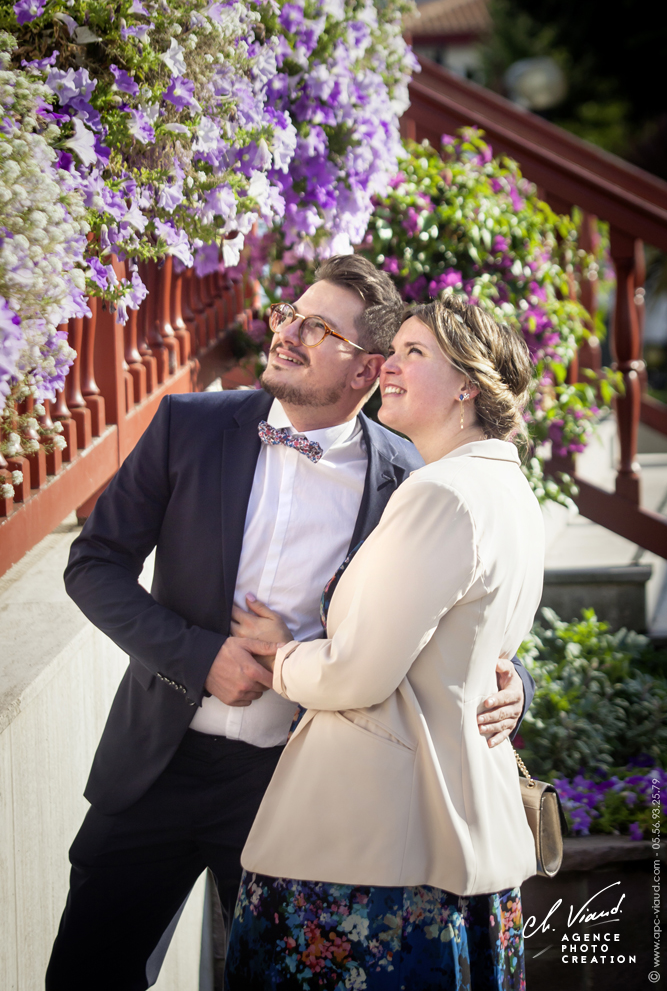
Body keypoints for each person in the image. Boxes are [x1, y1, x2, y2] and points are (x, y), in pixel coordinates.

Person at [46, 258, 534, 991]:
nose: (286, 334)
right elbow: (94, 564)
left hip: (291, 784)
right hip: (155, 766)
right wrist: (198, 655)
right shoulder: (188, 424)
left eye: (317, 327)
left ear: (366, 369)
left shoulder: (412, 474)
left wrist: (513, 682)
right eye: (287, 315)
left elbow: (470, 606)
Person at [225, 295, 544, 991]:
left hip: (373, 849)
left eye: (413, 354)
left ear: (467, 382)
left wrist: (281, 657)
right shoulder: (508, 488)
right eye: (391, 352)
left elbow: (356, 676)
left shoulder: (443, 494)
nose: (387, 367)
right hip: (456, 837)